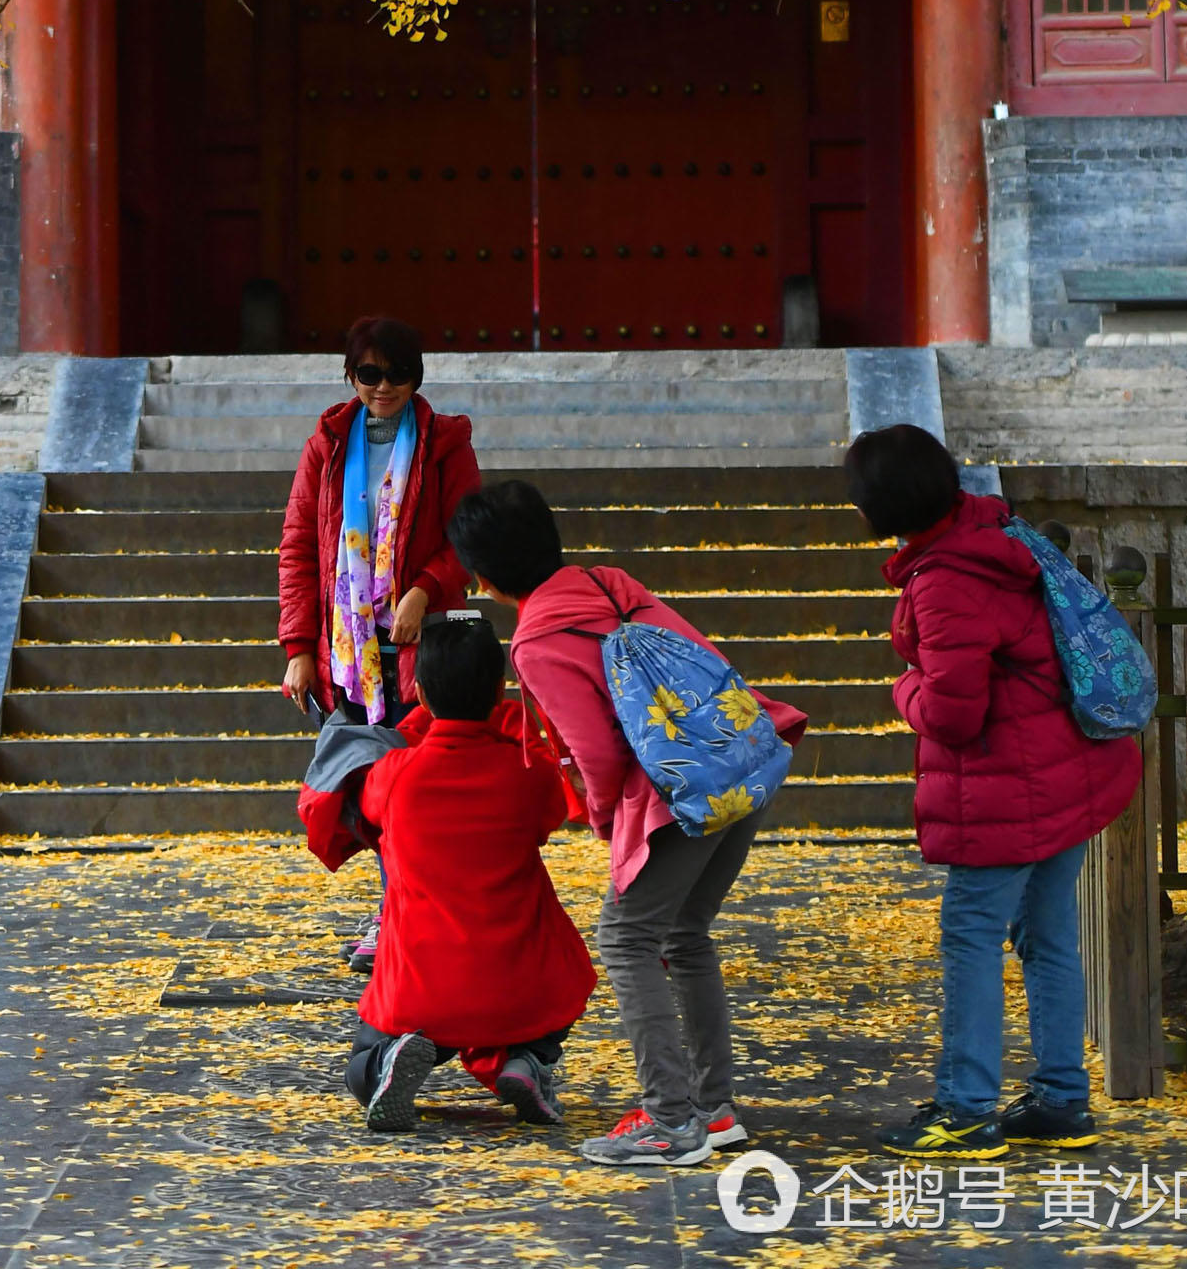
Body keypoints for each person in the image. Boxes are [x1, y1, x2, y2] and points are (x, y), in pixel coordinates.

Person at [448, 477, 805, 1172]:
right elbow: (696, 659)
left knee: (626, 935)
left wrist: (613, 828)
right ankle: (712, 1108)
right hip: (736, 763)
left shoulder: (537, 640)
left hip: (671, 797)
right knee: (683, 933)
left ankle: (672, 1122)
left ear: (482, 579)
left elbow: (600, 754)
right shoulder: (607, 583)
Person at [846, 421, 1143, 1154]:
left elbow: (951, 712)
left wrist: (903, 691)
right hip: (1064, 769)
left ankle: (966, 1107)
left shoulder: (947, 579)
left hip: (1008, 788)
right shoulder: (995, 532)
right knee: (1047, 937)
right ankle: (1061, 1098)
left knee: (970, 938)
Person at [278, 316, 481, 967]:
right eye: (370, 373)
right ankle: (398, 911)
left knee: (416, 795)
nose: (384, 386)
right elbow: (299, 550)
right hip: (352, 654)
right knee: (372, 793)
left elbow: (465, 541)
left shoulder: (445, 444)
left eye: (397, 374)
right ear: (350, 377)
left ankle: (402, 916)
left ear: (417, 378)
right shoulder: (328, 448)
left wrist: (423, 589)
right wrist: (299, 649)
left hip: (427, 655)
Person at [344, 610, 596, 1133]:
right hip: (517, 983)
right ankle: (527, 1060)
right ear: (498, 689)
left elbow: (365, 811)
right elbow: (550, 813)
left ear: (423, 694)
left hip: (419, 988)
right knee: (569, 971)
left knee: (357, 1070)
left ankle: (386, 1063)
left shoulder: (396, 776)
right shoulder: (526, 773)